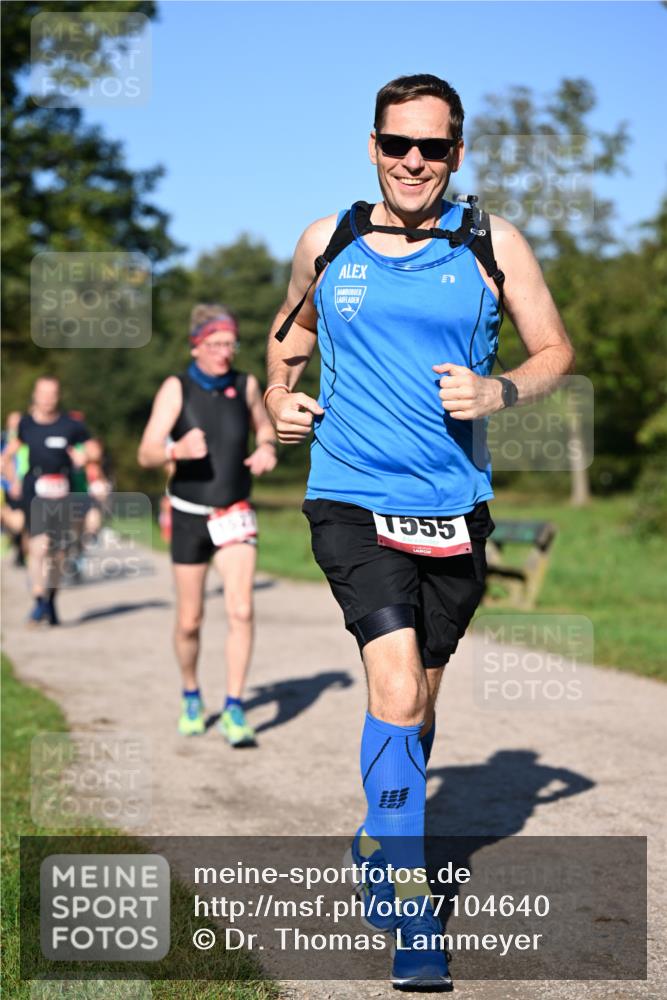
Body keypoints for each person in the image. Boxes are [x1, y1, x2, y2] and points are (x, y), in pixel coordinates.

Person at [265, 74, 575, 989]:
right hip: (351, 496)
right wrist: (281, 398)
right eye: (397, 144)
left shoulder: (491, 242)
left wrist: (499, 391)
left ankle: (377, 831)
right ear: (371, 146)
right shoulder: (329, 241)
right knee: (395, 688)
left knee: (418, 703)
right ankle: (412, 915)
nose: (412, 162)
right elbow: (287, 341)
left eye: (431, 148)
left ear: (456, 155)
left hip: (454, 506)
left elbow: (555, 350)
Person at [138, 304, 278, 746]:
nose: (224, 353)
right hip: (188, 515)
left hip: (234, 512)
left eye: (230, 344)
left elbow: (265, 429)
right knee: (190, 620)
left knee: (241, 610)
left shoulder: (246, 384)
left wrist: (268, 449)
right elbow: (146, 453)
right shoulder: (176, 388)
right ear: (196, 345)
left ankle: (235, 707)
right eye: (215, 344)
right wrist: (176, 450)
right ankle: (191, 694)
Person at [1, 377, 94, 625]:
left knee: (59, 552)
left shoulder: (70, 425)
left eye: (52, 393)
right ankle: (39, 598)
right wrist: (14, 481)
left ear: (58, 396)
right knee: (39, 547)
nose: (47, 399)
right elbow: (8, 454)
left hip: (62, 488)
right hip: (35, 489)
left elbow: (92, 449)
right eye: (43, 393)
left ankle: (51, 600)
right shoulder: (26, 424)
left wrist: (83, 458)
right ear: (35, 395)